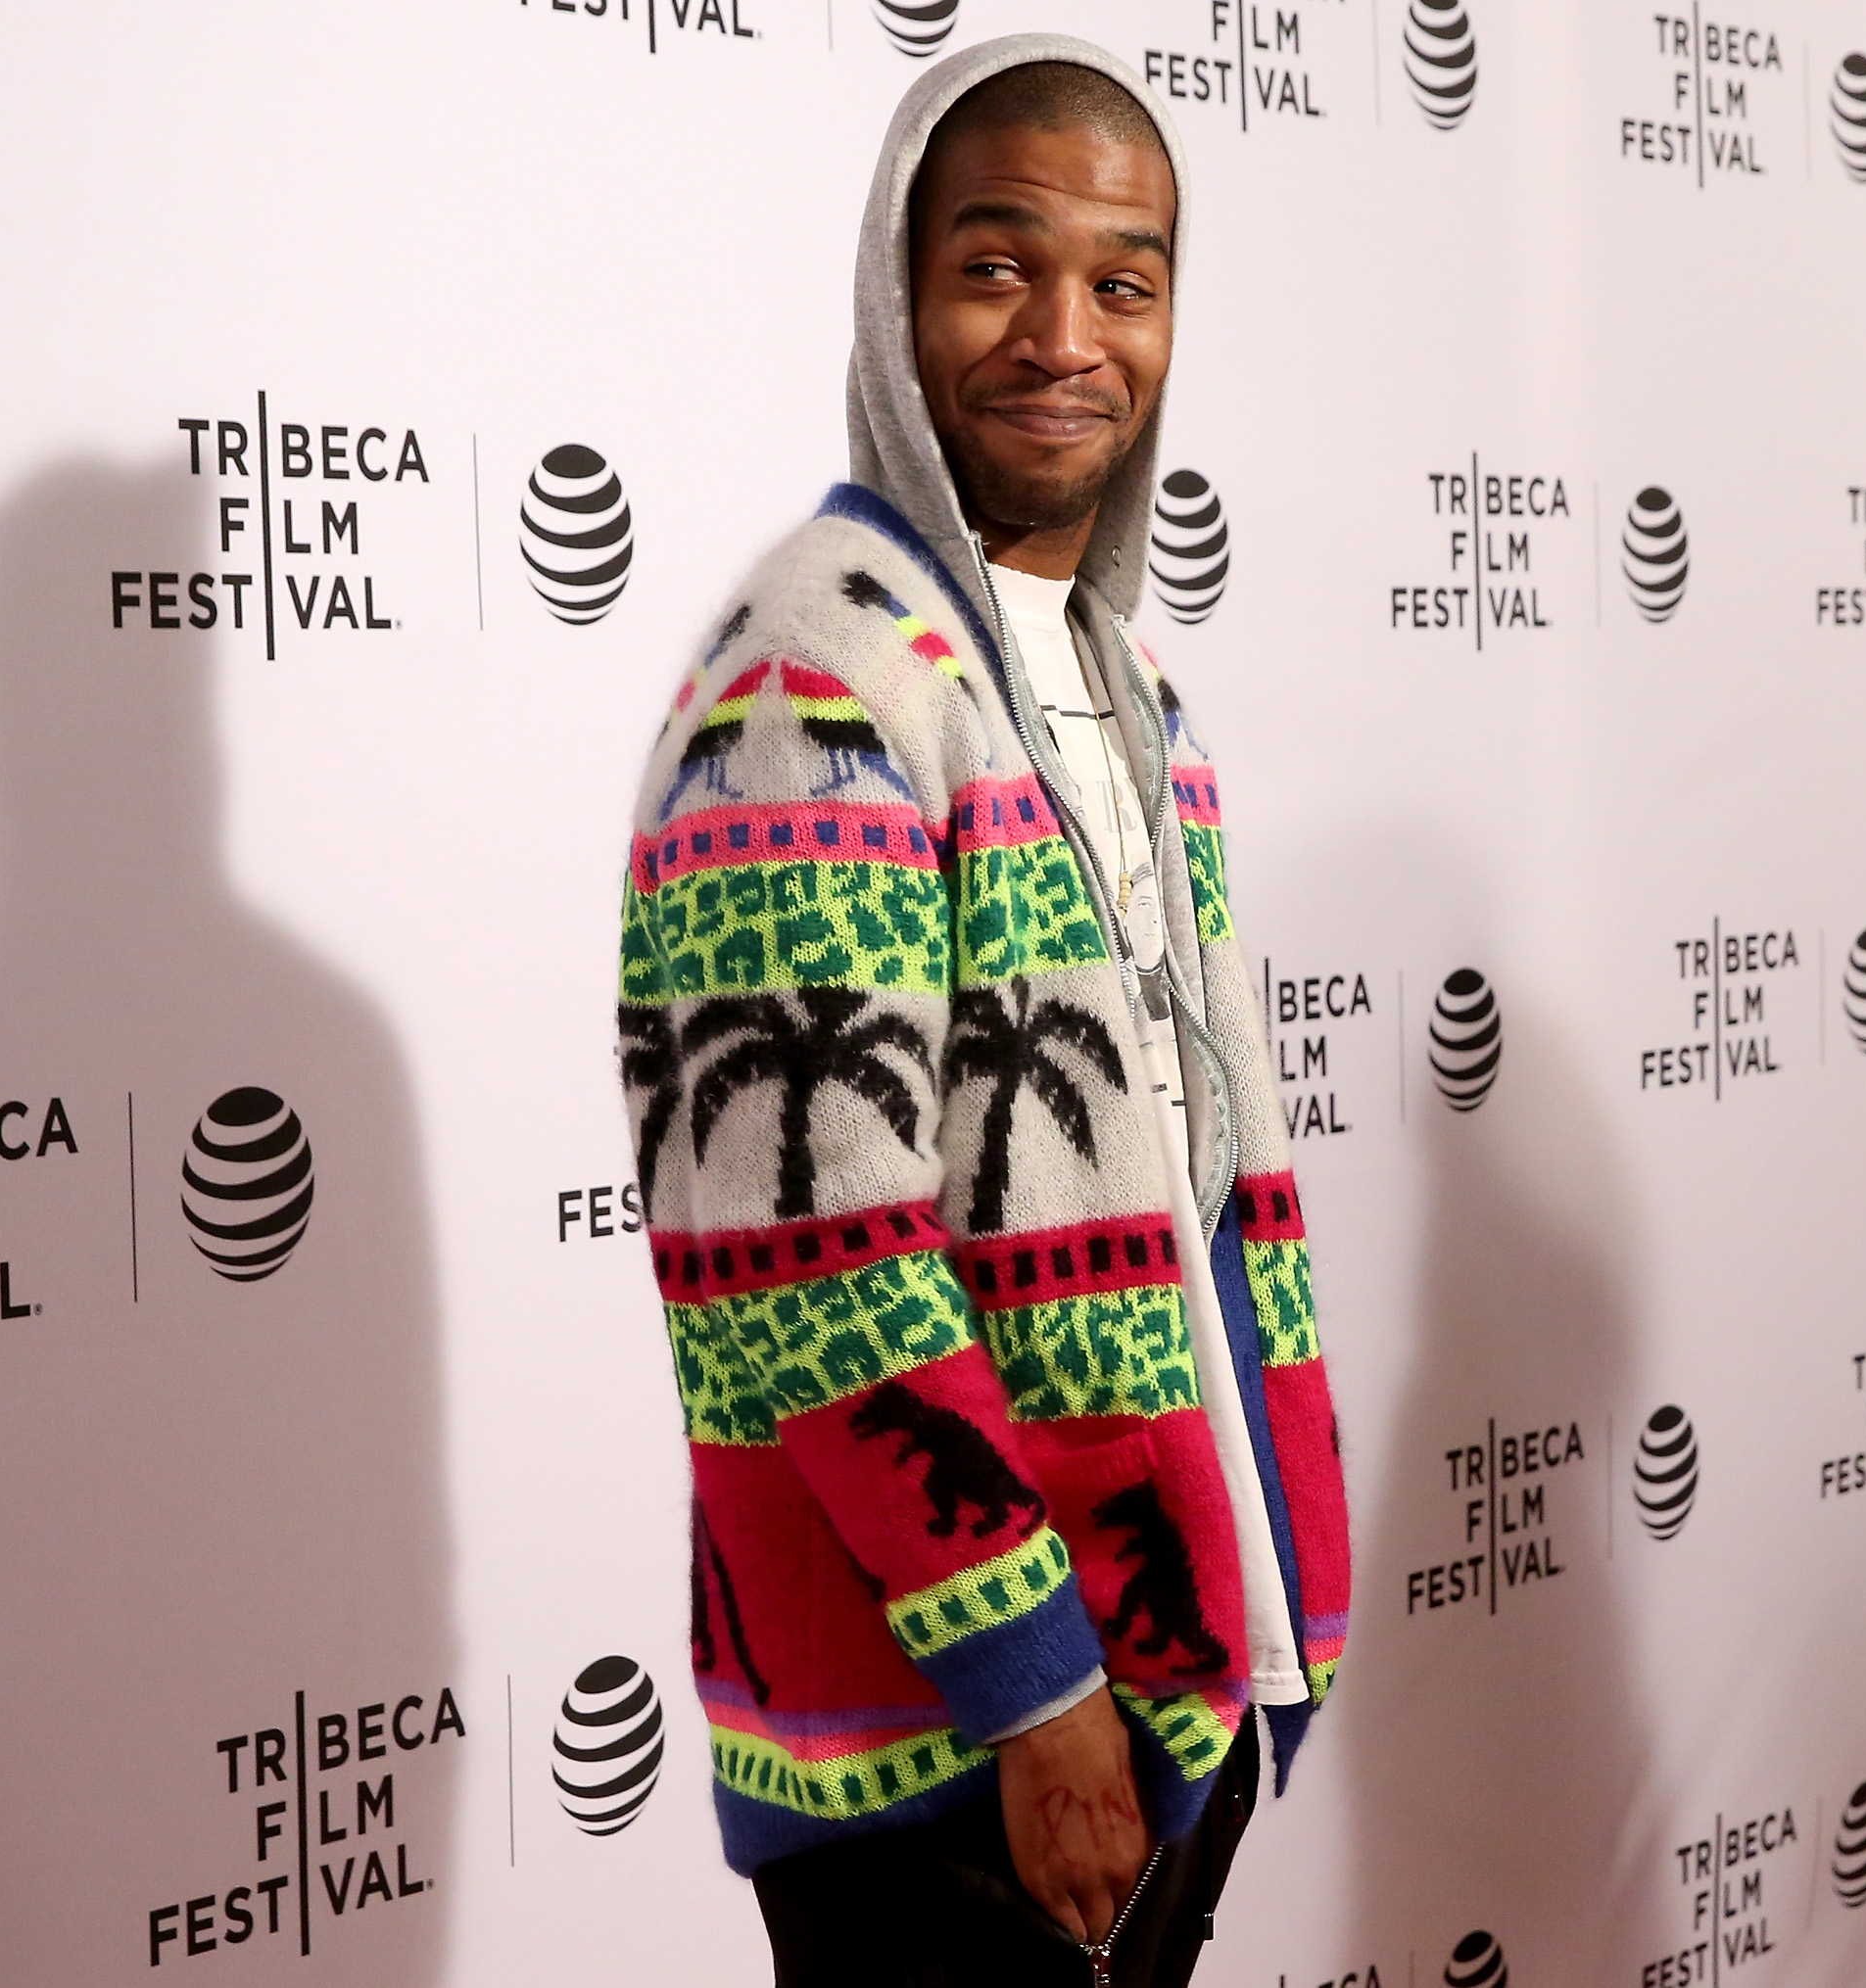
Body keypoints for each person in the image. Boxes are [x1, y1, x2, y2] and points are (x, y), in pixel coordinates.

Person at [612, 36, 1352, 1986]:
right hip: (953, 1752)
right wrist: (1038, 1685)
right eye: (996, 264)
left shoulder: (1135, 696)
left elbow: (1199, 1181)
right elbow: (794, 1250)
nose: (1064, 333)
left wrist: (1266, 1609)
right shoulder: (817, 677)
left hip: (1170, 1676)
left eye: (1125, 278)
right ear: (898, 293)